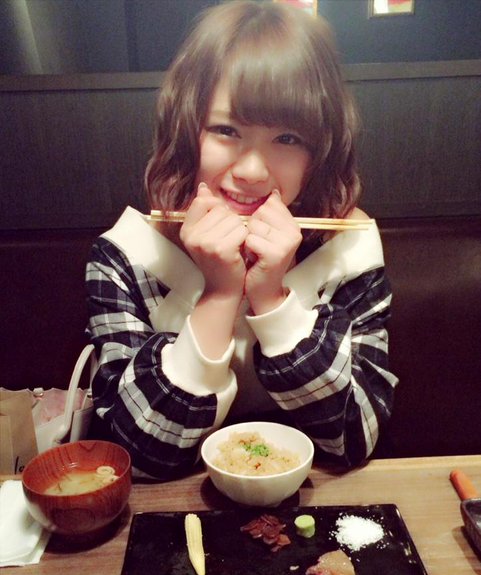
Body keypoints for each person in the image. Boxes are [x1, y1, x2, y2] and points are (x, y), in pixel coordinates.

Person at [86, 0, 398, 480]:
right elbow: (137, 455)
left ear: (321, 149)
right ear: (186, 131)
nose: (252, 171)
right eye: (226, 130)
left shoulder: (348, 249)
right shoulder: (126, 255)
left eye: (288, 138)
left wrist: (272, 298)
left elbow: (352, 439)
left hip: (308, 502)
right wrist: (219, 295)